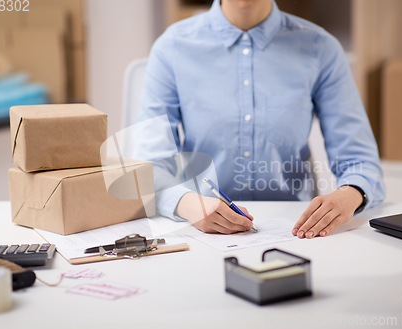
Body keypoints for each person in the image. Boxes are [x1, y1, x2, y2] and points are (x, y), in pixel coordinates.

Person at [136, 0, 386, 238]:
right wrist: (188, 205)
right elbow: (148, 163)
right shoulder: (172, 47)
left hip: (296, 230)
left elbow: (359, 158)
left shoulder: (321, 47)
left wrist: (350, 194)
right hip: (199, 232)